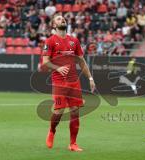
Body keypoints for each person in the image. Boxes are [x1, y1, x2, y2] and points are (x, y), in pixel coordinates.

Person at [42, 13, 95, 152]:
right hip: (59, 82)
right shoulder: (50, 41)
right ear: (54, 24)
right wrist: (58, 67)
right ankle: (52, 130)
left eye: (63, 18)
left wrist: (90, 78)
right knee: (59, 111)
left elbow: (81, 62)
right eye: (59, 19)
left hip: (73, 82)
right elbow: (45, 62)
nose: (62, 19)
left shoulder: (74, 41)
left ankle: (73, 143)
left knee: (75, 112)